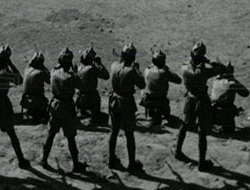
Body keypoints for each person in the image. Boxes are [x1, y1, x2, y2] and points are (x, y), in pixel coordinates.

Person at [175, 42, 228, 171]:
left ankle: (178, 150)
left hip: (189, 98)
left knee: (185, 124)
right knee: (202, 131)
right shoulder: (203, 71)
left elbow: (190, 63)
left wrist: (196, 58)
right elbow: (223, 68)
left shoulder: (184, 67)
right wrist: (208, 60)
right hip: (201, 100)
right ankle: (202, 163)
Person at [41, 49, 86, 173]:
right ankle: (76, 164)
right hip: (67, 106)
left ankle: (44, 159)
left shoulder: (54, 72)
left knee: (50, 135)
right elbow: (81, 86)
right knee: (70, 137)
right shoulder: (71, 76)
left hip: (55, 104)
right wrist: (75, 72)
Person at [108, 43, 145, 173]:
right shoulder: (132, 71)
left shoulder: (114, 66)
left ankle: (111, 159)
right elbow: (142, 84)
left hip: (114, 101)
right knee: (129, 134)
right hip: (126, 103)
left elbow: (119, 66)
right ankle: (131, 163)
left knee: (114, 131)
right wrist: (137, 69)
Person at [140, 51, 181, 126]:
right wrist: (168, 69)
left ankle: (152, 111)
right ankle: (161, 112)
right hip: (161, 99)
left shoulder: (147, 70)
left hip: (148, 98)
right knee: (165, 108)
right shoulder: (164, 72)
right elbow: (179, 80)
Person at [209, 66, 250, 134]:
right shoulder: (232, 83)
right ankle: (226, 127)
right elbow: (246, 93)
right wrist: (235, 81)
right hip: (225, 115)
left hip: (213, 113)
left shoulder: (215, 81)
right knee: (231, 107)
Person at [75, 46, 108, 125]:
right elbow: (106, 76)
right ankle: (94, 117)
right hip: (91, 99)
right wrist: (99, 64)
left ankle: (82, 111)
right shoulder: (92, 69)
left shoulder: (79, 68)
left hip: (80, 99)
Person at [20, 52, 50, 124]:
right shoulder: (41, 72)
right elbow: (49, 81)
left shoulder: (26, 69)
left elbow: (30, 64)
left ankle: (32, 112)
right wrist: (45, 68)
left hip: (25, 101)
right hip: (37, 102)